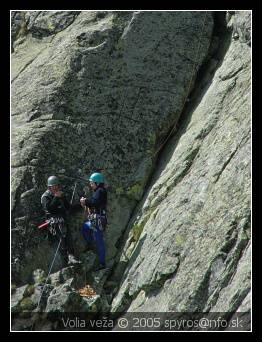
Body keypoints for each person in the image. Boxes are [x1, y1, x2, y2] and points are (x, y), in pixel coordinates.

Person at [41, 175, 80, 265]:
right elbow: (49, 209)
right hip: (53, 223)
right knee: (61, 240)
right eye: (53, 186)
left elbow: (68, 207)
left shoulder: (60, 194)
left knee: (69, 238)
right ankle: (66, 260)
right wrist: (56, 197)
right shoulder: (45, 197)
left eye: (57, 186)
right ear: (49, 187)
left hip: (62, 221)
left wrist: (80, 205)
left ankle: (71, 257)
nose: (56, 188)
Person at [80, 172, 108, 270]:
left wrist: (85, 201)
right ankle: (90, 243)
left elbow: (94, 202)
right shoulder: (98, 191)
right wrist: (86, 202)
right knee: (84, 227)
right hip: (96, 220)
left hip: (98, 220)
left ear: (97, 182)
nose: (90, 185)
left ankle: (102, 263)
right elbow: (94, 202)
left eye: (92, 183)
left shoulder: (100, 191)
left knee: (99, 240)